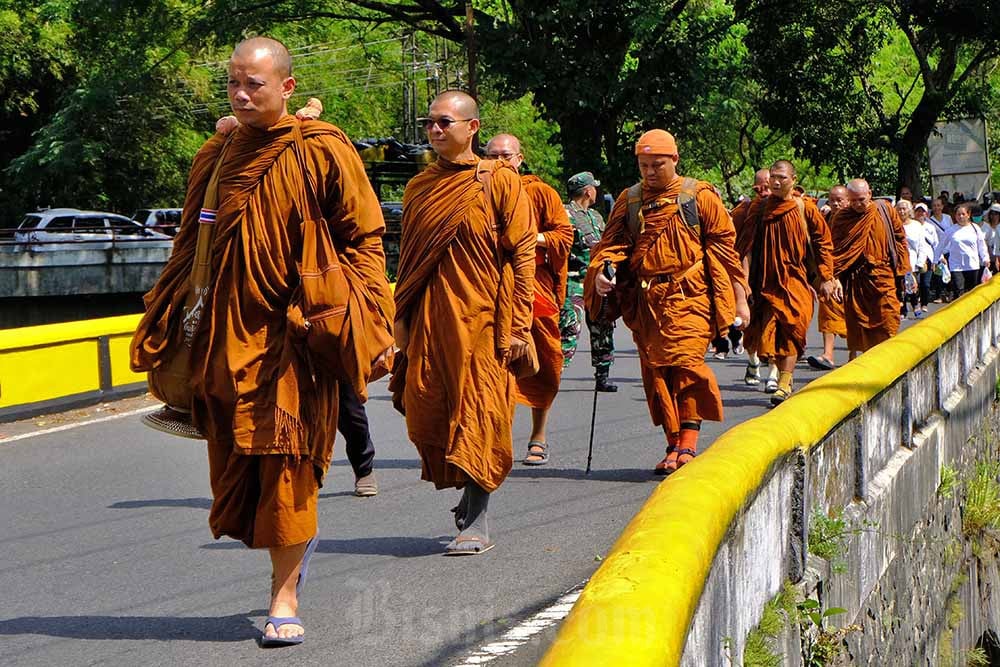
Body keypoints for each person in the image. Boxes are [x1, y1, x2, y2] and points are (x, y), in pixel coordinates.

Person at [130, 37, 394, 645]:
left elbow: (365, 239)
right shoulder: (218, 154)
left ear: (287, 88)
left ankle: (284, 595)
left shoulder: (324, 151)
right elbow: (188, 250)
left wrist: (368, 320)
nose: (243, 95)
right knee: (237, 465)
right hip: (226, 340)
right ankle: (287, 561)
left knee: (288, 464)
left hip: (297, 339)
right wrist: (170, 314)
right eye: (234, 85)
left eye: (255, 84)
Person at [390, 90, 535, 555]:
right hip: (431, 319)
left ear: (472, 128)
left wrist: (520, 325)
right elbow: (409, 261)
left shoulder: (499, 182)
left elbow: (523, 254)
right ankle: (465, 486)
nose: (434, 130)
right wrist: (400, 325)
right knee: (428, 408)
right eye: (429, 122)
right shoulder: (419, 188)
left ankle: (476, 517)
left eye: (444, 122)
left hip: (484, 320)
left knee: (480, 411)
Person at [585, 129, 750, 474]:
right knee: (657, 372)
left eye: (657, 164)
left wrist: (738, 298)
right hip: (647, 300)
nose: (649, 172)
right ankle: (673, 441)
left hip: (689, 295)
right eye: (644, 165)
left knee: (686, 364)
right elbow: (612, 245)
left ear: (674, 159)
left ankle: (688, 443)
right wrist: (603, 270)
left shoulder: (697, 196)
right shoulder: (630, 200)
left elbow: (724, 251)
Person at [484, 133, 573, 467]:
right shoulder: (477, 191)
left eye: (506, 156)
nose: (499, 162)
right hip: (490, 287)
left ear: (520, 160)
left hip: (534, 287)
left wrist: (528, 238)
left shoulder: (539, 192)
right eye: (492, 156)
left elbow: (563, 234)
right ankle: (497, 435)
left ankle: (538, 434)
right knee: (494, 362)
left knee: (545, 366)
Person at [737, 160, 837, 405]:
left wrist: (826, 277)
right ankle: (781, 378)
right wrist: (744, 283)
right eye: (773, 177)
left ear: (794, 179)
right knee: (769, 334)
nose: (776, 181)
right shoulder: (759, 209)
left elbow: (823, 244)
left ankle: (785, 380)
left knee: (793, 329)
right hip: (765, 284)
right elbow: (746, 248)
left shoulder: (805, 208)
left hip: (795, 281)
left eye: (782, 177)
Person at [830, 179, 911, 359]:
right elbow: (835, 249)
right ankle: (868, 362)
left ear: (870, 194)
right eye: (853, 201)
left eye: (861, 199)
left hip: (883, 278)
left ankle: (888, 361)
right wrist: (834, 277)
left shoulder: (885, 210)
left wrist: (904, 271)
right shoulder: (842, 218)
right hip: (856, 280)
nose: (858, 205)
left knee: (888, 321)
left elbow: (900, 238)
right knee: (861, 326)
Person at [561, 170, 619, 392]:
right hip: (573, 280)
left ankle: (602, 375)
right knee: (569, 328)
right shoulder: (564, 214)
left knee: (603, 326)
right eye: (594, 187)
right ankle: (555, 373)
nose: (596, 191)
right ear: (588, 191)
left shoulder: (596, 217)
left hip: (595, 279)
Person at [730, 168, 771, 380]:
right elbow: (732, 246)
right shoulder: (743, 212)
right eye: (760, 187)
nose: (764, 191)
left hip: (778, 277)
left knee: (778, 322)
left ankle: (776, 373)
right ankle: (753, 360)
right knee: (751, 324)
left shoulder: (791, 208)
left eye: (769, 186)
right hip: (749, 275)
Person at [808, 185, 851, 371]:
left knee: (853, 316)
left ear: (848, 200)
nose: (835, 204)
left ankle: (854, 355)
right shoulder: (825, 219)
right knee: (828, 309)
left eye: (839, 200)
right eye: (832, 200)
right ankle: (828, 355)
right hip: (829, 274)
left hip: (851, 275)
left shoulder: (855, 220)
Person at [934, 202, 990, 295]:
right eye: (958, 214)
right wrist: (935, 260)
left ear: (968, 215)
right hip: (956, 266)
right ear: (955, 216)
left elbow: (981, 245)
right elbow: (940, 246)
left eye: (963, 214)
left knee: (972, 292)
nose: (961, 216)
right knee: (959, 290)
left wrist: (985, 258)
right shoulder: (951, 230)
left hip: (972, 265)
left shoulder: (975, 228)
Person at [897, 199, 934, 319]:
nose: (902, 211)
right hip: (898, 260)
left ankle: (915, 304)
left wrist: (920, 261)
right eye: (899, 209)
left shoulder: (916, 225)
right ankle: (903, 309)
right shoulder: (894, 224)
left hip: (912, 260)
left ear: (909, 211)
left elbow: (922, 245)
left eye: (904, 209)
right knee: (900, 285)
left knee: (912, 284)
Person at [912, 202, 940, 316]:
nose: (920, 213)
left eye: (922, 211)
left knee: (926, 283)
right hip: (915, 257)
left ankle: (924, 303)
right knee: (914, 282)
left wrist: (937, 259)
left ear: (926, 213)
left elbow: (936, 244)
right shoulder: (911, 226)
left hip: (928, 256)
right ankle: (915, 302)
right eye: (918, 211)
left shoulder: (930, 227)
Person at [929, 197, 955, 302]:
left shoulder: (948, 218)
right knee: (939, 273)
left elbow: (953, 231)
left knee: (950, 272)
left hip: (950, 249)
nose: (936, 208)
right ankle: (939, 295)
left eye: (938, 205)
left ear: (942, 206)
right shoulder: (929, 221)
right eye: (934, 206)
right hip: (938, 250)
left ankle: (950, 293)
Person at [981, 203, 1000, 273]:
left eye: (996, 213)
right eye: (992, 213)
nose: (993, 216)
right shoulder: (985, 227)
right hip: (987, 259)